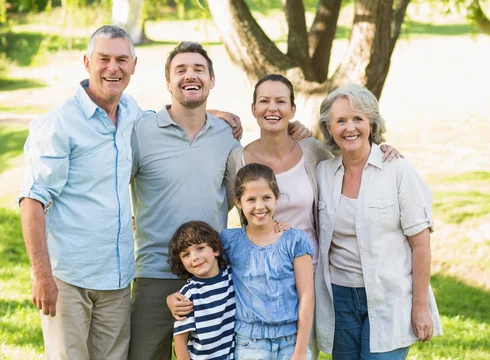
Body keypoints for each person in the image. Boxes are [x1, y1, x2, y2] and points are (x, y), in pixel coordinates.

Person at [172, 73, 401, 358]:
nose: (273, 108)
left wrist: (382, 149)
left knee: (305, 350)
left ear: (292, 110)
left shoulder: (312, 150)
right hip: (258, 282)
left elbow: (352, 162)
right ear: (253, 108)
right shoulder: (239, 158)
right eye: (264, 101)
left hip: (312, 272)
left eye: (281, 101)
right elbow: (220, 210)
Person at [129, 43, 311, 360]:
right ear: (167, 82)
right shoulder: (141, 131)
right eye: (180, 70)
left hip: (213, 275)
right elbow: (116, 188)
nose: (190, 76)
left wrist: (270, 229)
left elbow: (243, 203)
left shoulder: (227, 137)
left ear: (212, 80)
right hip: (155, 274)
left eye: (199, 69)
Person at [18, 25, 144, 359]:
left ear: (134, 64)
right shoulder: (61, 123)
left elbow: (168, 123)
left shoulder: (131, 112)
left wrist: (212, 115)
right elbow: (32, 200)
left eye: (121, 59)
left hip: (116, 279)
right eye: (104, 59)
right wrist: (42, 276)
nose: (112, 68)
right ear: (87, 62)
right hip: (68, 279)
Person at [314, 84, 443, 360]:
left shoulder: (397, 170)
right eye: (341, 121)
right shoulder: (323, 172)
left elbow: (421, 245)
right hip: (340, 298)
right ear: (329, 128)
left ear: (371, 123)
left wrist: (420, 307)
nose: (350, 128)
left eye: (358, 119)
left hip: (390, 297)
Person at [221, 163, 314, 360]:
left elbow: (307, 295)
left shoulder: (295, 240)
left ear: (276, 198)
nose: (259, 206)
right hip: (249, 343)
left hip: (291, 341)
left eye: (266, 198)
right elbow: (208, 278)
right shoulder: (229, 241)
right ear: (238, 202)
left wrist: (300, 351)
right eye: (251, 199)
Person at [167, 221, 236, 360]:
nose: (194, 257)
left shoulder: (231, 276)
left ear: (216, 249)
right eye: (186, 254)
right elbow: (180, 342)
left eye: (200, 248)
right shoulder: (189, 294)